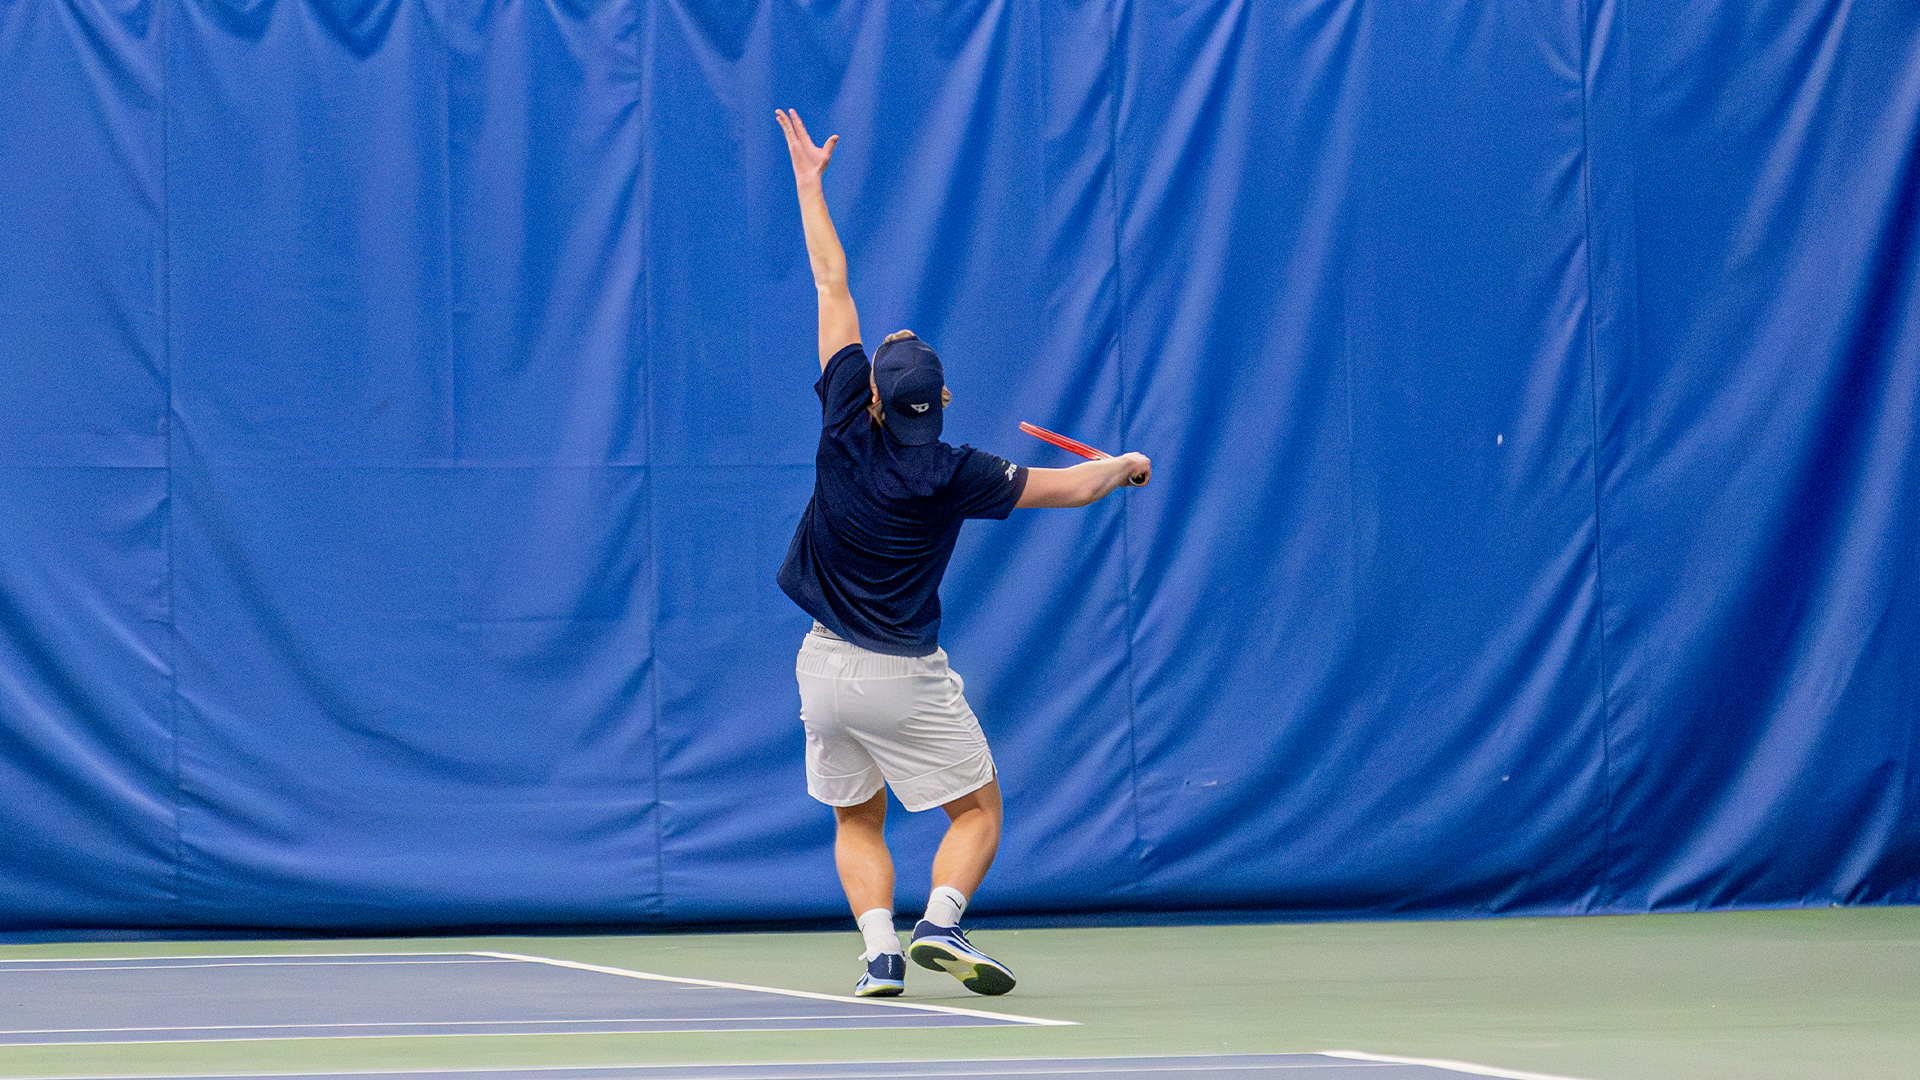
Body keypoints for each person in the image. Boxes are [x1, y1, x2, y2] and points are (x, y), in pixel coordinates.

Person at [773, 108, 1151, 998]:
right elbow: (1073, 489)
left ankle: (880, 955)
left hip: (822, 669)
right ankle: (940, 922)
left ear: (870, 395)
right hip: (902, 676)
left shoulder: (842, 424)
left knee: (856, 818)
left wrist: (810, 184)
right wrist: (1122, 467)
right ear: (940, 403)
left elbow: (831, 279)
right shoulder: (959, 471)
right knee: (977, 809)